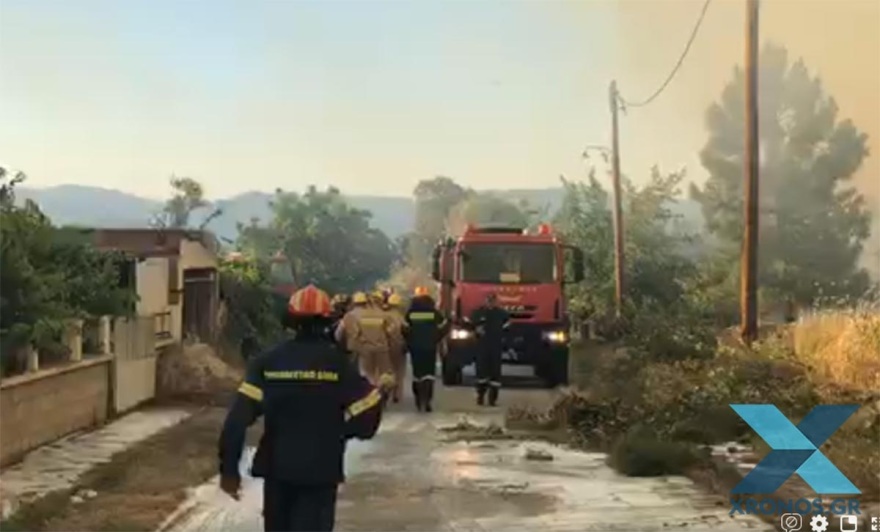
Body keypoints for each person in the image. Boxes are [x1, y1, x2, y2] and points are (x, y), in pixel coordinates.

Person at [217, 284, 395, 532]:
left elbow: (237, 419)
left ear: (290, 320)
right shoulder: (338, 365)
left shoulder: (268, 363)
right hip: (321, 472)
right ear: (326, 320)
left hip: (278, 470)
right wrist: (343, 432)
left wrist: (229, 471)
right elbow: (368, 410)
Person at [336, 291, 394, 386]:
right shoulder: (381, 314)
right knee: (383, 375)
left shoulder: (350, 315)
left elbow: (338, 334)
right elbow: (390, 331)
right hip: (382, 348)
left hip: (362, 349)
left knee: (367, 375)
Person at [404, 287, 448, 412]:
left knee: (417, 374)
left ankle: (418, 400)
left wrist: (409, 340)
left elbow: (404, 330)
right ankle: (427, 401)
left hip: (415, 348)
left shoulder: (410, 314)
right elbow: (444, 326)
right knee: (429, 375)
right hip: (430, 347)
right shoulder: (434, 313)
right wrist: (436, 338)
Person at [469, 293, 510, 406]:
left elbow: (508, 328)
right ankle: (480, 395)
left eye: (493, 300)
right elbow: (470, 325)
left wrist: (504, 339)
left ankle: (493, 399)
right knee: (481, 372)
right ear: (485, 301)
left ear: (496, 301)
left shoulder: (502, 314)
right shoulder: (478, 313)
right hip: (482, 346)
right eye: (489, 300)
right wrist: (476, 330)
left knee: (495, 373)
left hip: (495, 346)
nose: (491, 302)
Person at [381, 293, 408, 403]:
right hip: (399, 347)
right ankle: (397, 395)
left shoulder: (384, 316)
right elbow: (407, 332)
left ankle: (385, 391)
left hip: (386, 346)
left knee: (386, 370)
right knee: (399, 371)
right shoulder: (401, 318)